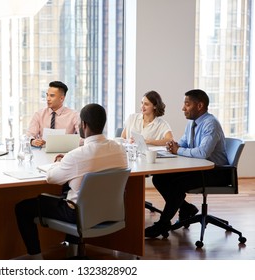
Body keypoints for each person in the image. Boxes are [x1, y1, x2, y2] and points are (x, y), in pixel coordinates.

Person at [15, 103, 128, 259]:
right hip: (109, 211)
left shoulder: (77, 155)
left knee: (23, 208)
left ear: (83, 125)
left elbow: (51, 178)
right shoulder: (120, 150)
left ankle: (37, 261)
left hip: (77, 214)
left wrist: (60, 163)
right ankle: (73, 250)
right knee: (71, 189)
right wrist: (67, 163)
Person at [145, 89, 228, 238]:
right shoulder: (192, 123)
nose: (183, 108)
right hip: (199, 169)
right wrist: (173, 146)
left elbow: (203, 153)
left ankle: (163, 223)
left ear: (200, 105)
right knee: (160, 178)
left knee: (177, 185)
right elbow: (182, 144)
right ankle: (187, 208)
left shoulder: (211, 124)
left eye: (187, 104)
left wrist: (178, 150)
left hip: (216, 172)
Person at [27, 81, 79, 147]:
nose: (48, 99)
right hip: (42, 152)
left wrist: (67, 142)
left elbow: (83, 138)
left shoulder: (74, 115)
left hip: (65, 153)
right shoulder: (39, 114)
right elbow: (28, 136)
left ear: (61, 98)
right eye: (47, 95)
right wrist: (32, 141)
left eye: (52, 96)